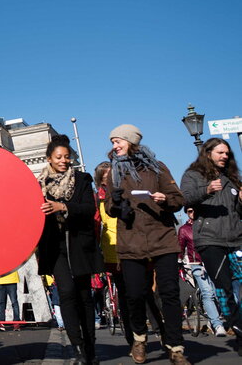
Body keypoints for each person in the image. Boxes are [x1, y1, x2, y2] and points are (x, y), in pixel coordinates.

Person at [104, 124, 189, 365]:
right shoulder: (113, 172)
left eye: (118, 141)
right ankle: (139, 339)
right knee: (134, 294)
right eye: (112, 142)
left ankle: (175, 346)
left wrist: (165, 199)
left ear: (131, 141)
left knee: (170, 294)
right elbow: (110, 207)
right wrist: (118, 204)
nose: (114, 146)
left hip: (161, 238)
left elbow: (178, 198)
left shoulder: (157, 167)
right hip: (131, 240)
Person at [37, 134, 104, 364]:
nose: (64, 160)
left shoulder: (83, 180)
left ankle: (90, 347)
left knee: (84, 295)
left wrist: (63, 206)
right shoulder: (39, 185)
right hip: (54, 245)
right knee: (66, 292)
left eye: (67, 157)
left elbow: (88, 209)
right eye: (59, 157)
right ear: (49, 159)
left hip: (79, 244)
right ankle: (76, 347)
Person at [180, 137, 242, 355]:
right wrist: (206, 190)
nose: (225, 156)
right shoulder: (193, 175)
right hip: (210, 240)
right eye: (220, 153)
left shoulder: (232, 178)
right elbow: (184, 198)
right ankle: (238, 327)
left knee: (240, 285)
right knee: (224, 285)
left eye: (227, 153)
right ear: (208, 154)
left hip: (236, 238)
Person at [177, 206, 226, 336]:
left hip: (212, 261)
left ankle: (213, 318)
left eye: (194, 211)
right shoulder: (184, 229)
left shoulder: (208, 224)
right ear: (186, 213)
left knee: (218, 292)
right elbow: (180, 247)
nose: (192, 213)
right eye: (189, 211)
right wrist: (179, 260)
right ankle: (217, 324)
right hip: (196, 264)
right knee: (207, 292)